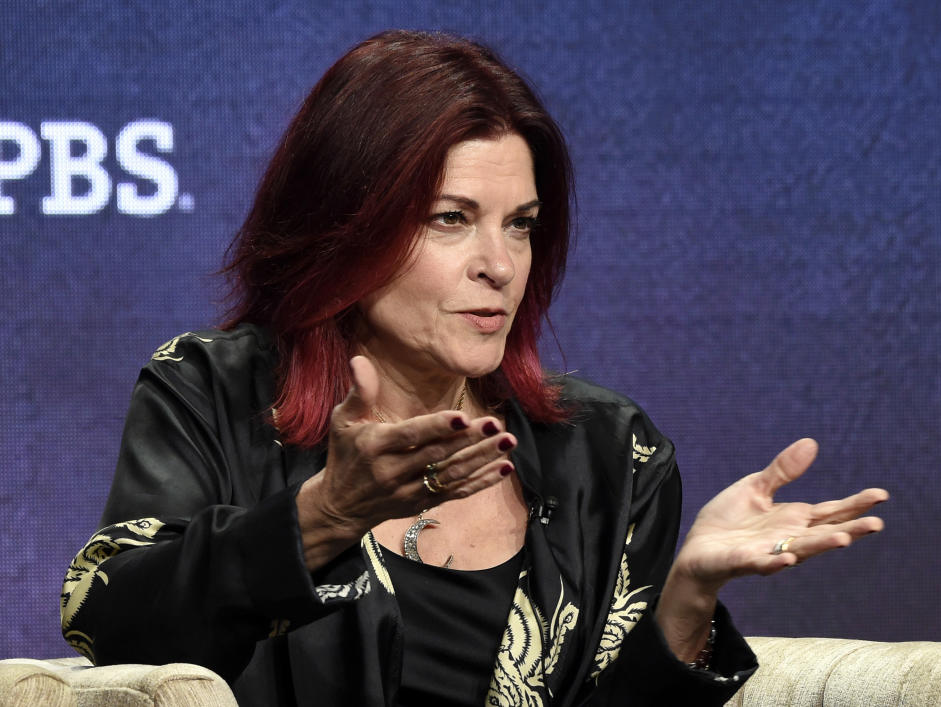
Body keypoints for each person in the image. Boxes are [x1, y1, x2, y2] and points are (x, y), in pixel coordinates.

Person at [60, 30, 887, 706]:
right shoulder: (217, 390)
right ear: (346, 225)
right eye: (452, 220)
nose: (500, 263)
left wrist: (686, 603)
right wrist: (322, 516)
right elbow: (113, 624)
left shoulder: (611, 453)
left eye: (521, 224)